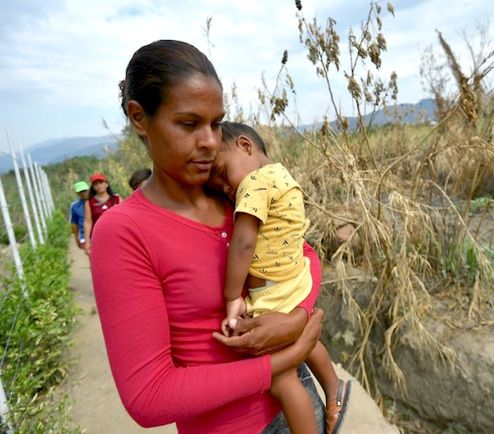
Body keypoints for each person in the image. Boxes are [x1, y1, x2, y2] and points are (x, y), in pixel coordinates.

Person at [90, 39, 326, 433]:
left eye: (216, 123)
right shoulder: (124, 232)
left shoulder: (232, 192)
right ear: (138, 117)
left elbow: (301, 252)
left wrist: (297, 317)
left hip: (301, 404)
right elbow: (149, 397)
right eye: (188, 124)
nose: (211, 142)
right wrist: (281, 361)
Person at [209, 121, 350, 434]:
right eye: (219, 188)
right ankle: (333, 385)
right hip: (293, 278)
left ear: (245, 146)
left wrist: (233, 296)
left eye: (222, 173)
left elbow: (245, 242)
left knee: (282, 379)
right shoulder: (282, 176)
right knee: (299, 337)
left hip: (273, 288)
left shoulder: (255, 183)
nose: (226, 188)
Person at [83, 172, 121, 255]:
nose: (99, 186)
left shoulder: (117, 198)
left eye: (101, 182)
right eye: (95, 184)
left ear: (106, 184)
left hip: (118, 236)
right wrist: (87, 241)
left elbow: (125, 217)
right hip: (99, 238)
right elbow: (88, 222)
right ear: (93, 187)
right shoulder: (89, 203)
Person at [69, 180, 89, 248]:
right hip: (84, 236)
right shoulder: (75, 206)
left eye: (85, 191)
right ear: (77, 193)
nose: (83, 194)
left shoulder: (96, 201)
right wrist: (77, 239)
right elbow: (74, 223)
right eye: (81, 192)